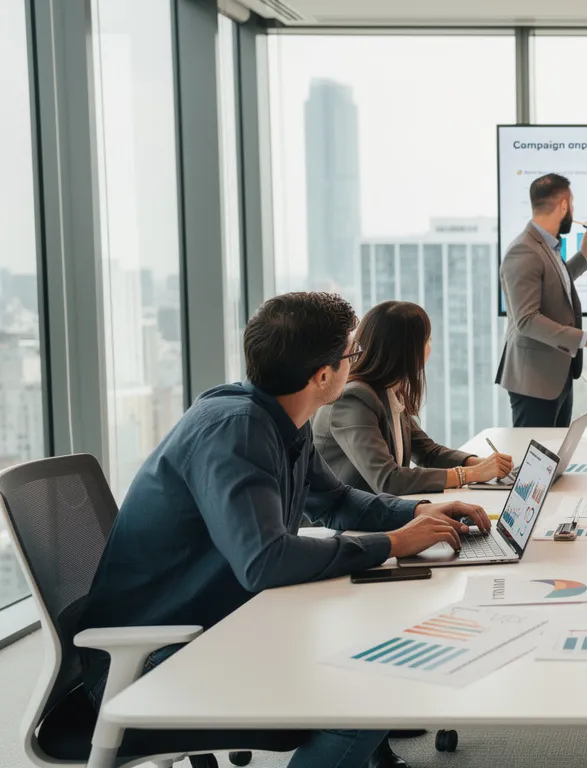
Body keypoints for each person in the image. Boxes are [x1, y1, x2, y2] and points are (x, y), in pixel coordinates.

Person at [78, 293, 490, 768]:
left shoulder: (276, 420)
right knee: (371, 695)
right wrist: (393, 544)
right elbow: (265, 562)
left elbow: (335, 502)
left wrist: (417, 511)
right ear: (322, 375)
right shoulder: (236, 431)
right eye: (351, 356)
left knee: (369, 659)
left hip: (209, 626)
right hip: (147, 662)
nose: (356, 363)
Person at [315, 300, 514, 494]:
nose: (430, 347)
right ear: (409, 350)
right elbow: (388, 481)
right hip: (341, 525)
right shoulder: (354, 400)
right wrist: (470, 474)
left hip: (376, 512)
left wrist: (481, 464)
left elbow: (428, 452)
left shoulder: (387, 390)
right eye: (428, 340)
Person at [496, 172, 587, 428]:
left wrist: (583, 255)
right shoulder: (524, 250)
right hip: (534, 382)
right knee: (534, 464)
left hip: (555, 375)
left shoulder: (546, 246)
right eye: (571, 205)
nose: (573, 211)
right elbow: (527, 321)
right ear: (563, 205)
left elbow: (555, 285)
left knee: (553, 460)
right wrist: (586, 340)